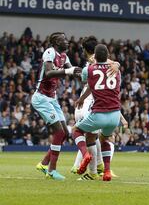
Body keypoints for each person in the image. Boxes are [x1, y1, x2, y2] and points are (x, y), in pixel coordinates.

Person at [32, 32, 82, 180]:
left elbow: (75, 73)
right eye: (63, 39)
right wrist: (68, 71)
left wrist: (89, 73)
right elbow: (48, 73)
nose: (66, 42)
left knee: (65, 133)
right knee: (59, 133)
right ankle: (51, 171)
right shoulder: (50, 52)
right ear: (55, 42)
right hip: (41, 98)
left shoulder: (64, 56)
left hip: (52, 98)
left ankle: (43, 164)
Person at [71, 44, 122, 181]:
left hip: (99, 113)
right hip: (115, 115)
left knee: (76, 130)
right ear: (108, 56)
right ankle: (106, 172)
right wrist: (116, 64)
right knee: (104, 139)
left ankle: (85, 154)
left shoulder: (88, 69)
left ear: (95, 55)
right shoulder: (117, 70)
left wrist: (81, 98)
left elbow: (87, 82)